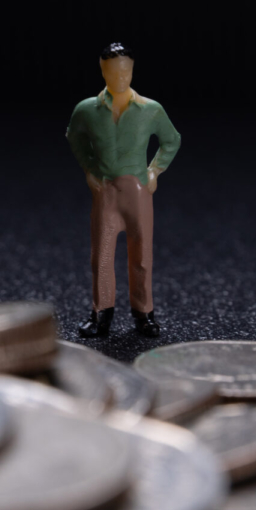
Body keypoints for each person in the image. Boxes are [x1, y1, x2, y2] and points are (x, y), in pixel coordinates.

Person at [67, 43, 181, 339]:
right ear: (103, 70)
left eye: (126, 71)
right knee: (101, 255)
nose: (120, 77)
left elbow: (171, 140)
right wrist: (89, 168)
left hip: (137, 190)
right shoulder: (87, 110)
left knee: (141, 254)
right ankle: (101, 313)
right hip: (105, 189)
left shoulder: (150, 109)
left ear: (132, 70)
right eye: (114, 71)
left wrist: (155, 171)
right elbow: (75, 138)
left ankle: (144, 314)